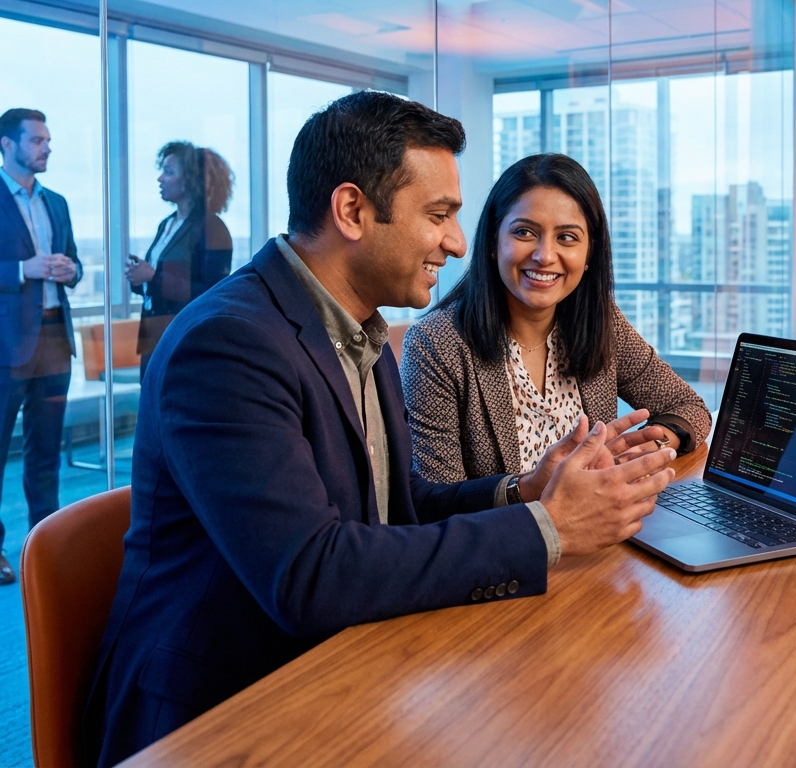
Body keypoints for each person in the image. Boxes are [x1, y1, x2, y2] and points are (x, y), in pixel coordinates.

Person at [83, 91, 677, 767]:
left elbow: (399, 509)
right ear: (352, 211)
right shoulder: (229, 345)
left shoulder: (357, 331)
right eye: (439, 215)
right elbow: (310, 575)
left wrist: (525, 492)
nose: (457, 242)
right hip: (223, 714)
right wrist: (552, 529)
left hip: (341, 667)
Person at [402, 153, 712, 485]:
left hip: (601, 527)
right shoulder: (435, 344)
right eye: (524, 232)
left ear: (589, 251)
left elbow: (688, 406)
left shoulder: (600, 320)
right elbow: (437, 500)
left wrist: (650, 444)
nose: (545, 256)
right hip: (511, 536)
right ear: (493, 241)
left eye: (567, 237)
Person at [0, 108, 82, 586]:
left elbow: (68, 261)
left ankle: (42, 541)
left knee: (45, 450)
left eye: (47, 140)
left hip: (54, 339)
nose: (46, 148)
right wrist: (19, 271)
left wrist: (71, 270)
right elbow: (22, 269)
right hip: (7, 348)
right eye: (36, 141)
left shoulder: (57, 202)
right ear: (8, 146)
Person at [126, 142, 234, 380]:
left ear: (190, 179)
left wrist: (153, 277)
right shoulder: (166, 224)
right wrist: (140, 277)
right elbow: (158, 282)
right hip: (154, 338)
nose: (160, 179)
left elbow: (213, 294)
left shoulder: (212, 228)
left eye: (169, 171)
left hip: (183, 340)